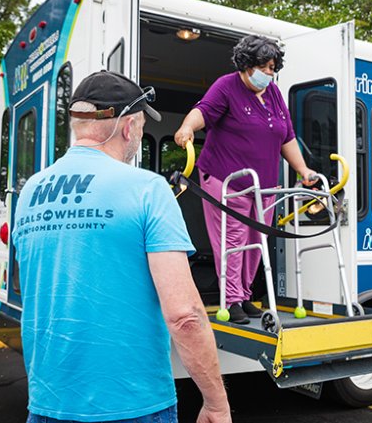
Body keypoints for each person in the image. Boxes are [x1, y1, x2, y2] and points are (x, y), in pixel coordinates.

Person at [12, 71, 231, 423]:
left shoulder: (30, 193)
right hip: (132, 406)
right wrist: (216, 403)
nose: (140, 135)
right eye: (142, 126)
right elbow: (185, 316)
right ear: (128, 126)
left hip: (46, 405)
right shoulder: (147, 189)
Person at [174, 35, 315, 325]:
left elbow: (286, 137)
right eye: (262, 66)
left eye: (272, 67)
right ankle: (231, 299)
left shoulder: (274, 94)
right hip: (227, 179)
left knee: (256, 240)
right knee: (233, 239)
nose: (268, 73)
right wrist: (187, 128)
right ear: (245, 65)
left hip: (263, 186)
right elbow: (202, 112)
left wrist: (304, 171)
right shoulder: (227, 86)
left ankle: (244, 294)